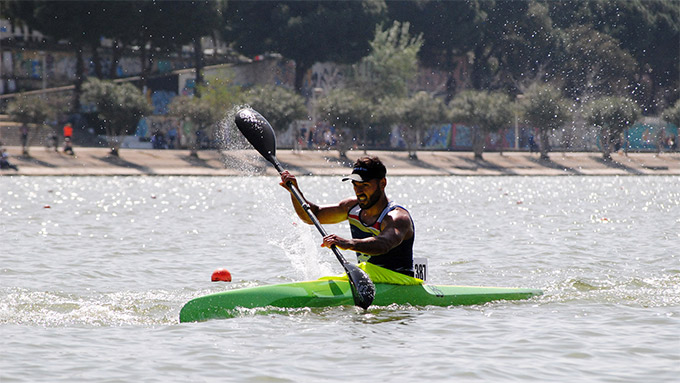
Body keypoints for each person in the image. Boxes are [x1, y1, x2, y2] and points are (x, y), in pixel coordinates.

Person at [280, 156, 415, 276]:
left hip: (399, 281)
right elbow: (312, 216)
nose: (359, 191)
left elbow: (384, 244)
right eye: (355, 185)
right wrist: (294, 191)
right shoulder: (351, 207)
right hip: (369, 278)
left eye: (365, 185)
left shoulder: (398, 217)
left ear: (382, 183)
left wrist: (347, 243)